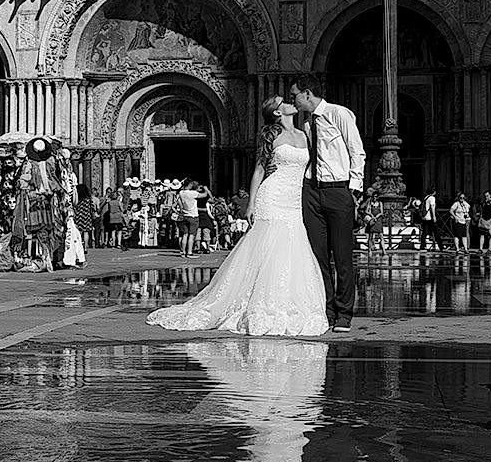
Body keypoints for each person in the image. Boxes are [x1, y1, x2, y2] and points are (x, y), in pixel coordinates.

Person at [147, 96, 329, 336]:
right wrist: (251, 203)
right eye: (282, 101)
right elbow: (259, 170)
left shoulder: (305, 134)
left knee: (292, 245)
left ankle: (290, 302)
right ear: (276, 113)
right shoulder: (271, 136)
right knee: (268, 247)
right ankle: (259, 303)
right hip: (272, 195)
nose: (289, 102)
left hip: (294, 199)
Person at [292, 75, 366, 332]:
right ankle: (327, 310)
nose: (294, 99)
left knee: (343, 255)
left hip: (338, 190)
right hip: (312, 190)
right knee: (317, 255)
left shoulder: (339, 114)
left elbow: (357, 151)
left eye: (296, 95)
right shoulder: (307, 123)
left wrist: (354, 190)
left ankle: (344, 313)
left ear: (308, 93)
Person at [177, 178, 204, 258]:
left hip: (185, 215)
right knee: (191, 235)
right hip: (193, 216)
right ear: (190, 185)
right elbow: (203, 195)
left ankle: (183, 252)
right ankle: (189, 252)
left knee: (185, 235)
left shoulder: (181, 193)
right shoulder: (193, 193)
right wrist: (205, 190)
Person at [420, 186, 439, 251]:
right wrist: (434, 217)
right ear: (434, 192)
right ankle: (438, 246)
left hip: (424, 216)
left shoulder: (426, 197)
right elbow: (432, 208)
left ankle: (422, 246)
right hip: (429, 217)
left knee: (425, 232)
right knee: (435, 232)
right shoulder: (432, 198)